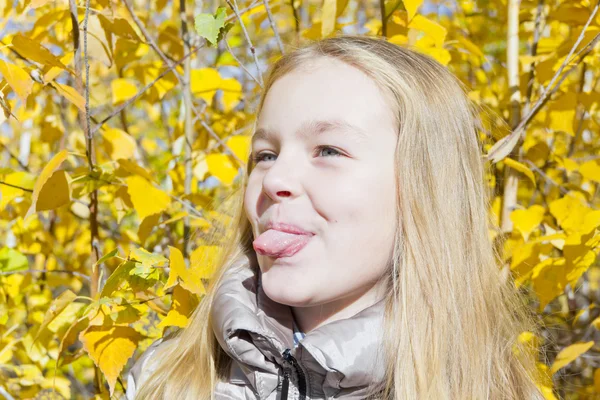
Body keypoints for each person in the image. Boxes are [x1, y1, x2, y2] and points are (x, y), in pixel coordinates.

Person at [124, 34, 546, 399]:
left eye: (328, 151)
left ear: (425, 188)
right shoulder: (163, 382)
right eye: (265, 155)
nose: (275, 180)